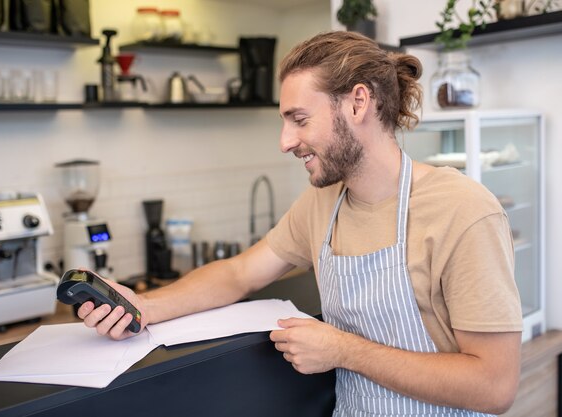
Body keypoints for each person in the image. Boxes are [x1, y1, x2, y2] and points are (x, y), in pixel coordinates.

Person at [79, 31, 522, 416]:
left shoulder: (462, 210)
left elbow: (494, 386)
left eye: (299, 119)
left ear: (358, 103)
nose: (285, 141)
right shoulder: (322, 204)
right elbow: (238, 274)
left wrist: (345, 350)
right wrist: (145, 305)